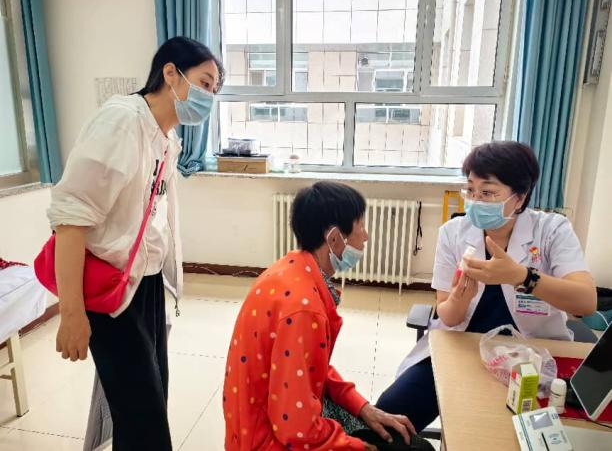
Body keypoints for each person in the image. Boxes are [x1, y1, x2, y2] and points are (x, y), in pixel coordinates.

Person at [47, 36, 224, 451]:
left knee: (149, 398)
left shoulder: (166, 138)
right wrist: (71, 314)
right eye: (204, 82)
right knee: (144, 415)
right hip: (107, 291)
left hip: (143, 283)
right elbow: (71, 218)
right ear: (170, 73)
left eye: (215, 90)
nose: (209, 97)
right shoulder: (121, 121)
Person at [376, 141, 597, 433]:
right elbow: (448, 316)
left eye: (488, 192)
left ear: (519, 198)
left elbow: (586, 302)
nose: (475, 200)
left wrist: (522, 276)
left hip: (531, 356)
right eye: (471, 190)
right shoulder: (453, 233)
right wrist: (459, 298)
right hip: (461, 347)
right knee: (389, 413)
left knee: (509, 431)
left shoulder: (552, 230)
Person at [223, 182, 416, 450]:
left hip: (259, 424)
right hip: (266, 441)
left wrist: (361, 407)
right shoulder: (304, 309)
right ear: (335, 239)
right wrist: (356, 447)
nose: (366, 236)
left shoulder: (289, 268)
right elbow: (296, 429)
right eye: (360, 226)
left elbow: (308, 369)